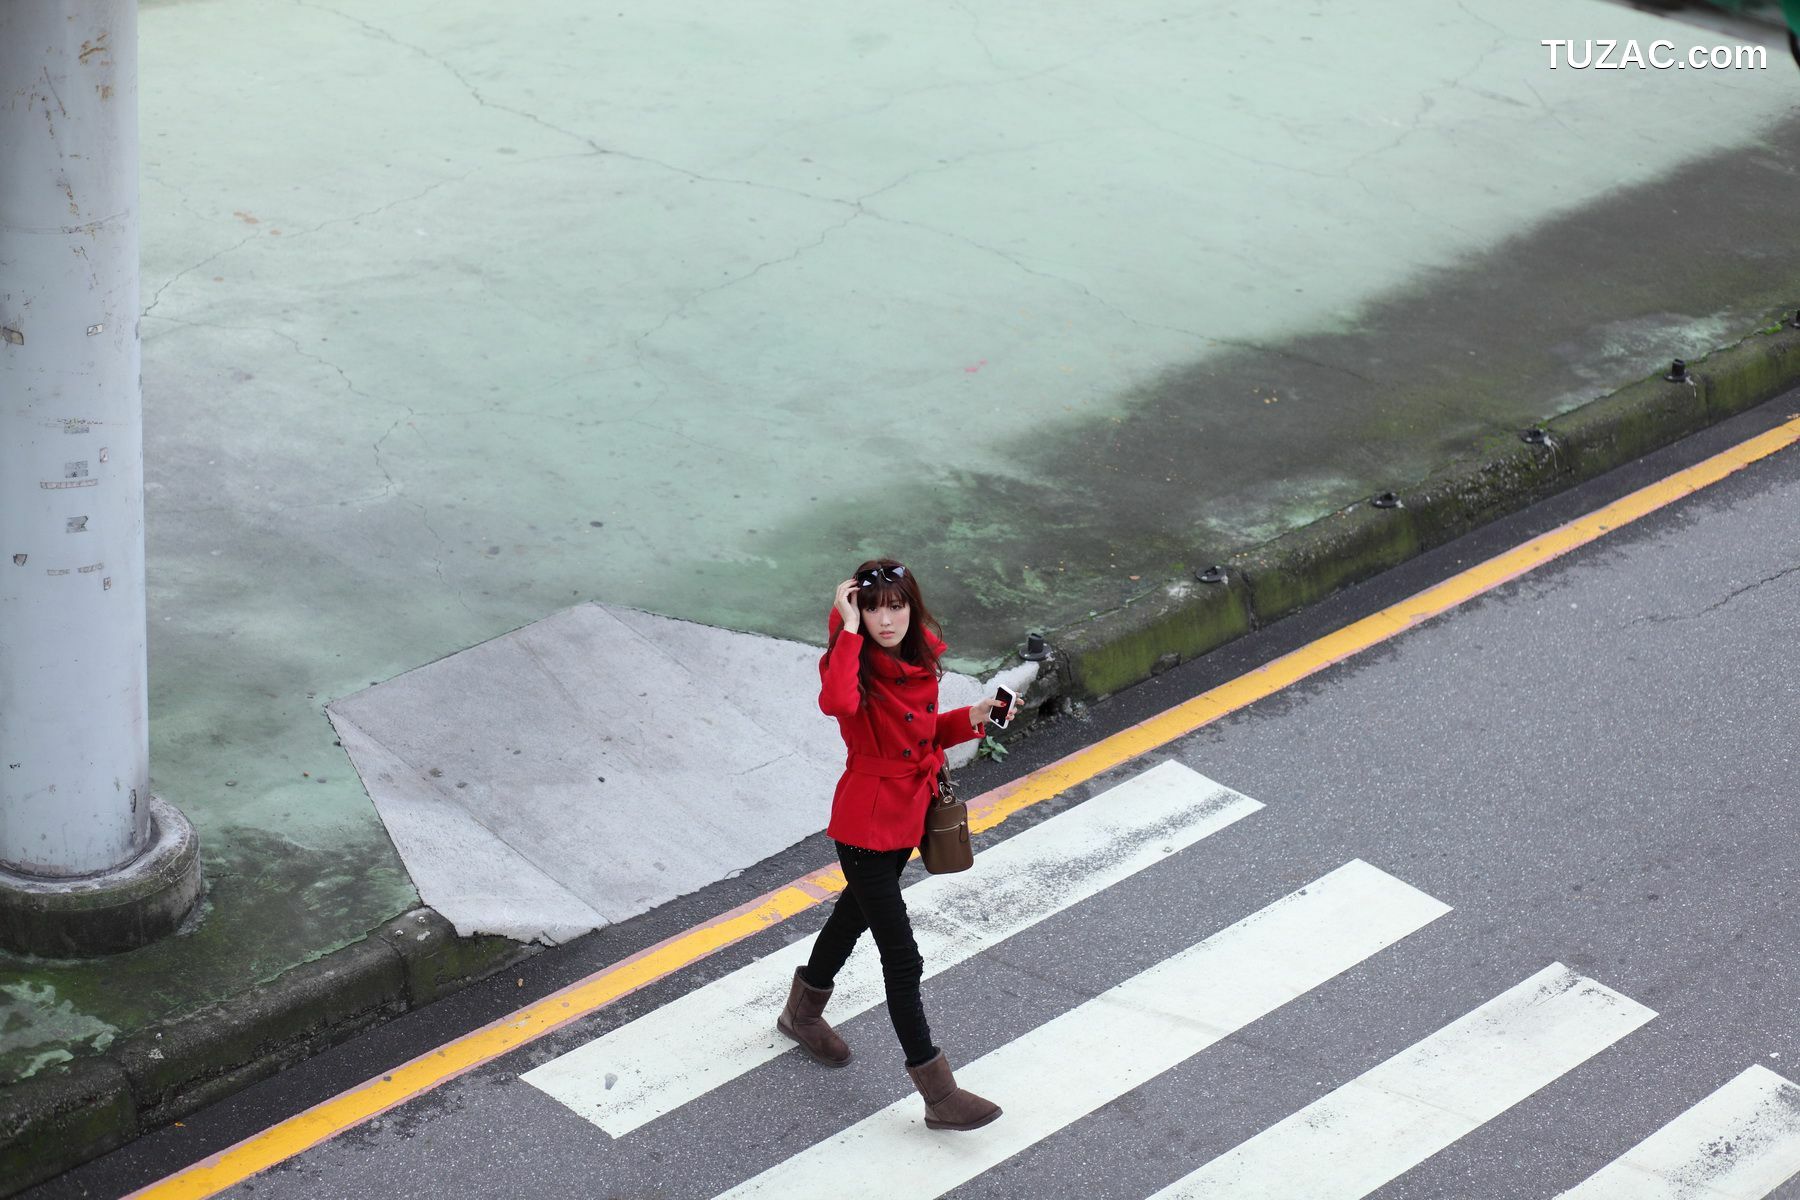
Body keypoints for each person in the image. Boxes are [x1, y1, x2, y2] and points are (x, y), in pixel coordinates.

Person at [775, 558, 1020, 1132]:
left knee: (851, 917)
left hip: (905, 821)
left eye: (897, 605)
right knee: (902, 958)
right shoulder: (852, 665)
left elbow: (923, 735)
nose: (888, 618)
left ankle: (800, 1013)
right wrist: (847, 630)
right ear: (856, 610)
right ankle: (938, 1094)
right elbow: (836, 703)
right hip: (866, 827)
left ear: (912, 606)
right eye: (873, 606)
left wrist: (976, 718)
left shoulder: (916, 661)